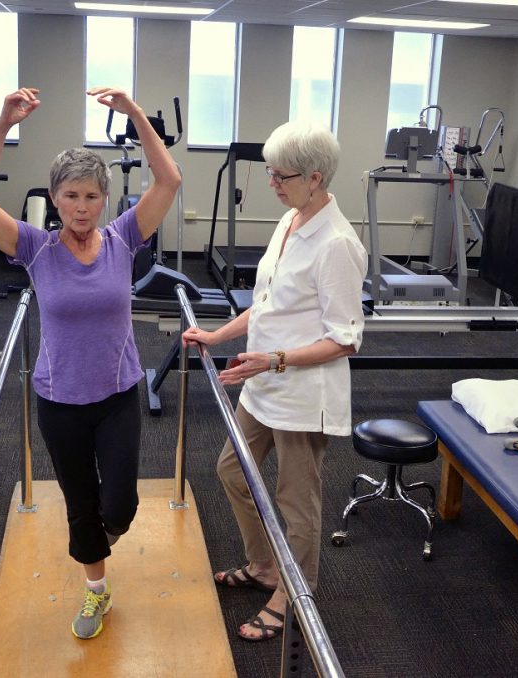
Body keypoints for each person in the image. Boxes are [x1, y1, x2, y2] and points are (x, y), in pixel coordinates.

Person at [0, 86, 181, 640]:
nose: (81, 207)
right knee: (81, 506)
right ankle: (96, 591)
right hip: (58, 403)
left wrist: (133, 113)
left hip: (116, 396)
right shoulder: (34, 246)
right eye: (70, 196)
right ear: (54, 199)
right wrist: (2, 124)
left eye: (90, 196)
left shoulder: (124, 238)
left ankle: (100, 535)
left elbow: (169, 180)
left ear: (105, 200)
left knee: (120, 505)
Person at [181, 121, 367, 642]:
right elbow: (267, 303)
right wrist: (218, 335)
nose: (271, 183)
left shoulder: (337, 244)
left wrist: (273, 360)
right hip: (265, 379)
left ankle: (295, 591)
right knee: (232, 471)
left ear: (314, 177)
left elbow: (347, 339)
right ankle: (265, 566)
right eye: (269, 171)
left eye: (280, 174)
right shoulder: (290, 220)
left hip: (304, 393)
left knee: (295, 499)